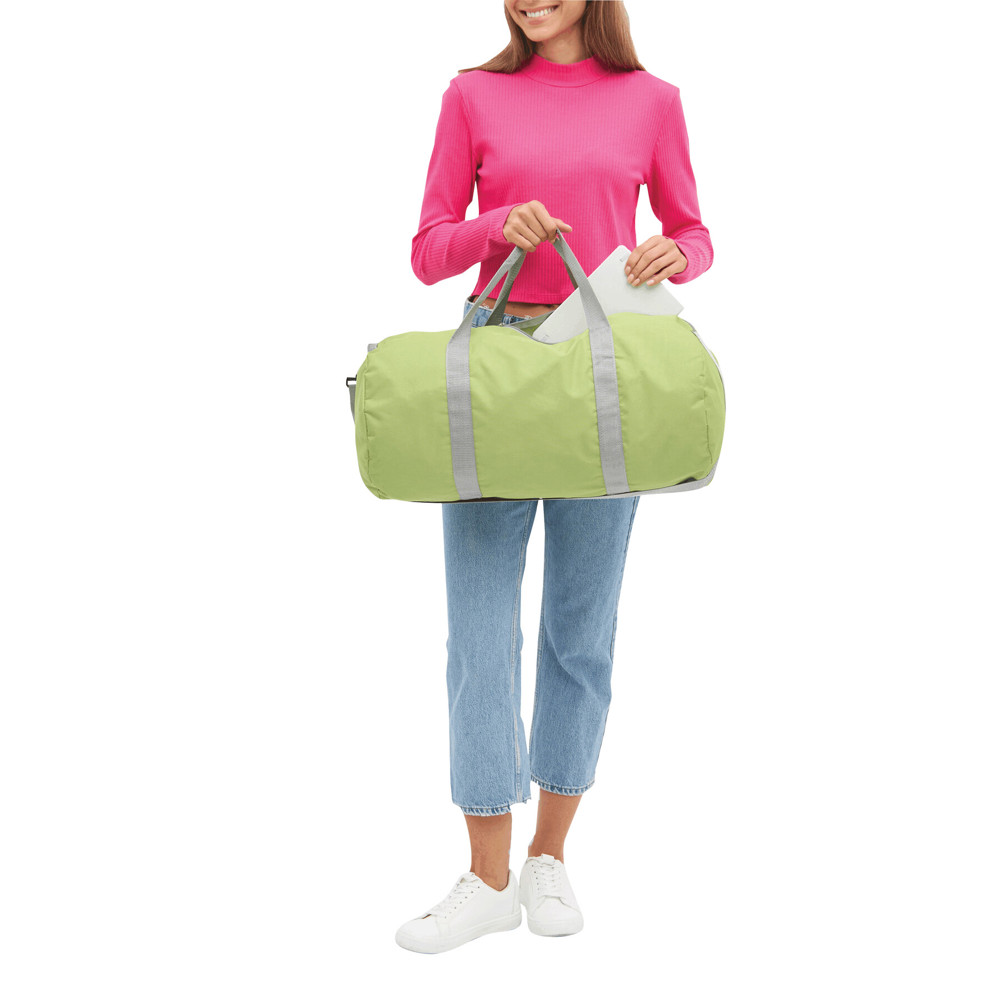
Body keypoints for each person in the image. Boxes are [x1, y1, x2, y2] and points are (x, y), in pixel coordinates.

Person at [395, 1, 713, 954]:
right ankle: (487, 876)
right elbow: (427, 250)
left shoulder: (652, 100)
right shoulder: (472, 95)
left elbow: (696, 233)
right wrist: (497, 227)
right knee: (478, 633)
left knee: (581, 630)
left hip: (604, 372)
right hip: (493, 370)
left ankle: (549, 856)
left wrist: (676, 251)